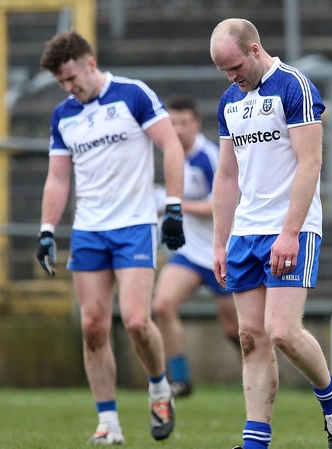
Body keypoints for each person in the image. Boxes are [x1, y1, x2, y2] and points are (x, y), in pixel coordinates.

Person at [209, 18, 332, 449]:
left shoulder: (294, 86)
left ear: (254, 49)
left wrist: (290, 233)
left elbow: (310, 163)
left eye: (235, 66)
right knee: (251, 338)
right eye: (223, 72)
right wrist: (220, 241)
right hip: (245, 234)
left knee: (283, 331)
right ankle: (255, 443)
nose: (232, 78)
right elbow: (227, 174)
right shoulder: (230, 101)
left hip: (291, 228)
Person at [36, 31, 185, 444]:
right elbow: (58, 178)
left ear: (90, 62)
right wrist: (47, 230)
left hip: (135, 224)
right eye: (61, 83)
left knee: (137, 320)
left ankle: (158, 389)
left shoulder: (132, 95)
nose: (69, 88)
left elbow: (171, 147)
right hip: (89, 229)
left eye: (71, 78)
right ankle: (109, 424)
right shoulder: (64, 115)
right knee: (93, 327)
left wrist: (173, 207)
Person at [152, 95, 239, 399]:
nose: (176, 129)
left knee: (234, 330)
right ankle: (181, 379)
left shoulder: (209, 156)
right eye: (171, 123)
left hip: (220, 250)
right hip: (190, 252)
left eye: (183, 123)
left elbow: (221, 204)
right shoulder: (171, 154)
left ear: (196, 124)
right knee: (162, 305)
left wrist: (175, 205)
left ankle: (259, 375)